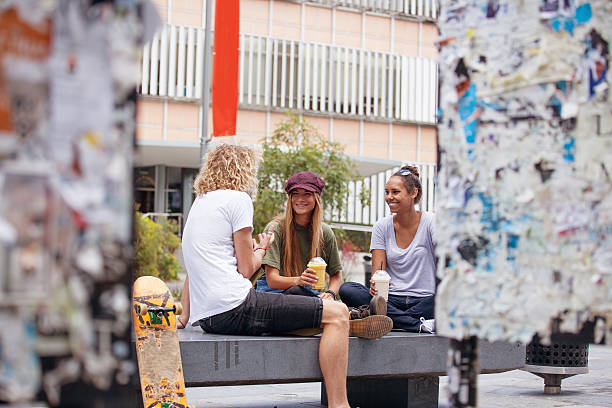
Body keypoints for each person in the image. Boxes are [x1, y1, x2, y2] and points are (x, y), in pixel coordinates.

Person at [175, 144, 345, 408]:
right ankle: (339, 405)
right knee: (338, 313)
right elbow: (246, 269)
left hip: (207, 317)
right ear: (244, 169)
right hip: (236, 307)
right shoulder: (238, 199)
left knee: (310, 308)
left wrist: (185, 315)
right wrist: (261, 247)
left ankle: (309, 317)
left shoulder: (201, 201)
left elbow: (196, 266)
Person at [256, 171, 392, 337]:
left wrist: (331, 293)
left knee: (338, 292)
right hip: (273, 298)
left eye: (307, 194)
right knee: (297, 292)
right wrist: (298, 280)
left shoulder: (324, 232)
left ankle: (345, 319)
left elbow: (336, 276)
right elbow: (272, 280)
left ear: (316, 198)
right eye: (295, 194)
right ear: (289, 198)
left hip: (310, 298)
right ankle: (352, 316)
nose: (300, 199)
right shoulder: (275, 229)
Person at [338, 165, 436, 333]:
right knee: (347, 289)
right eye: (386, 192)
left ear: (413, 193)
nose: (389, 197)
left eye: (395, 192)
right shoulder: (381, 226)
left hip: (426, 300)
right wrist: (374, 285)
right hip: (390, 300)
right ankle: (417, 324)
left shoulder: (431, 222)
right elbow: (378, 274)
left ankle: (387, 319)